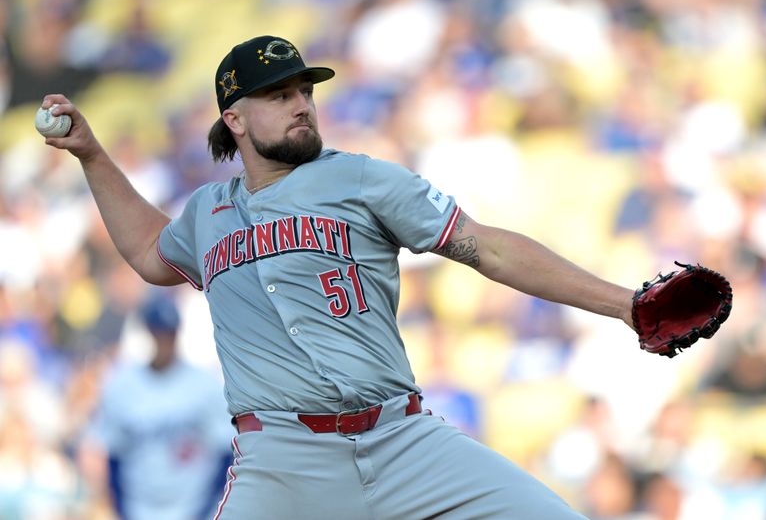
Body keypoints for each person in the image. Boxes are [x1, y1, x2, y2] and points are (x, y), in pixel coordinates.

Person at [42, 35, 637, 519]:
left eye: (304, 90)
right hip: (283, 461)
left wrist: (625, 305)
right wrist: (92, 154)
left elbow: (491, 250)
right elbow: (150, 251)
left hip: (403, 440)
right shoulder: (207, 213)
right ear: (236, 118)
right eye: (278, 95)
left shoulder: (362, 179)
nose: (301, 103)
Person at [78, 292, 232, 520]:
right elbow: (113, 454)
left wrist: (207, 509)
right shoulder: (121, 383)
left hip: (196, 505)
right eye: (158, 333)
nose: (164, 341)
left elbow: (225, 454)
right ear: (147, 332)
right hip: (139, 507)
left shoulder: (205, 384)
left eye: (168, 333)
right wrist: (123, 509)